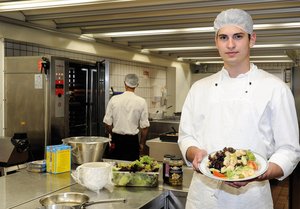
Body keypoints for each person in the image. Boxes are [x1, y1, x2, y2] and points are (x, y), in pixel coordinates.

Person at [178, 8, 300, 209]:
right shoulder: (199, 88)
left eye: (238, 36)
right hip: (202, 198)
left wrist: (263, 172)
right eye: (223, 37)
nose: (231, 44)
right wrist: (194, 152)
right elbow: (186, 135)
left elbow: (289, 149)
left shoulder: (275, 88)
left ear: (252, 39)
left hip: (252, 200)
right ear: (216, 42)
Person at [103, 73, 150, 161]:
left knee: (115, 167)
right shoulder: (141, 102)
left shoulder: (114, 99)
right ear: (137, 85)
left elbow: (107, 123)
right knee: (132, 169)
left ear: (124, 83)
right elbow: (145, 127)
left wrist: (113, 135)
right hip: (132, 141)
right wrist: (142, 143)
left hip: (117, 140)